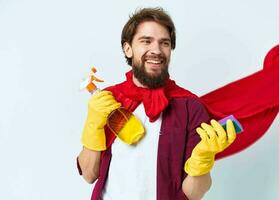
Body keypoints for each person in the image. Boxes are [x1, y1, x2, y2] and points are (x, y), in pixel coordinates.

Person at [77, 7, 236, 200]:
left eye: (164, 43)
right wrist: (93, 126)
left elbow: (194, 194)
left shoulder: (190, 107)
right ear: (128, 48)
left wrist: (202, 161)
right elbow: (89, 174)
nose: (156, 50)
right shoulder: (107, 100)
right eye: (146, 41)